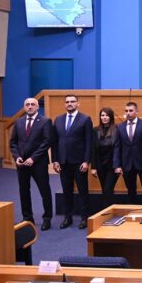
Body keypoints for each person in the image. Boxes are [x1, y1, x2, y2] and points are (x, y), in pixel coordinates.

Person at [9, 97, 53, 230]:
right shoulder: (18, 122)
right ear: (24, 107)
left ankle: (47, 218)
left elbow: (47, 142)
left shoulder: (45, 121)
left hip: (38, 163)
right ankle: (27, 218)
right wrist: (17, 157)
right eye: (27, 104)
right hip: (22, 164)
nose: (29, 106)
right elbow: (13, 143)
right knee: (24, 191)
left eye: (32, 104)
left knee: (44, 191)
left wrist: (33, 158)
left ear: (37, 107)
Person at [51, 94, 93, 229]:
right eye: (67, 102)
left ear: (78, 103)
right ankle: (67, 218)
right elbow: (54, 142)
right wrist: (55, 160)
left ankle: (84, 218)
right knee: (66, 192)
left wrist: (86, 161)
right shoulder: (58, 119)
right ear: (65, 104)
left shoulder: (85, 119)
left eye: (72, 101)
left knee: (82, 192)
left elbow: (89, 142)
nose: (69, 103)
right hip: (63, 162)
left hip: (79, 162)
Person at [113, 102, 142, 204]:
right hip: (126, 164)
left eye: (131, 111)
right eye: (126, 111)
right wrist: (117, 165)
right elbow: (117, 147)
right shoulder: (120, 127)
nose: (128, 113)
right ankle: (132, 209)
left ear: (137, 111)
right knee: (131, 190)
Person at [91, 107, 119, 210]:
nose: (104, 117)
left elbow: (118, 148)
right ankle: (109, 211)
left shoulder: (117, 129)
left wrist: (118, 165)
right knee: (105, 190)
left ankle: (107, 213)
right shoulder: (95, 130)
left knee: (108, 189)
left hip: (113, 166)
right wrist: (93, 167)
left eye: (107, 115)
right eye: (102, 115)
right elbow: (93, 149)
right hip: (100, 165)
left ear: (111, 117)